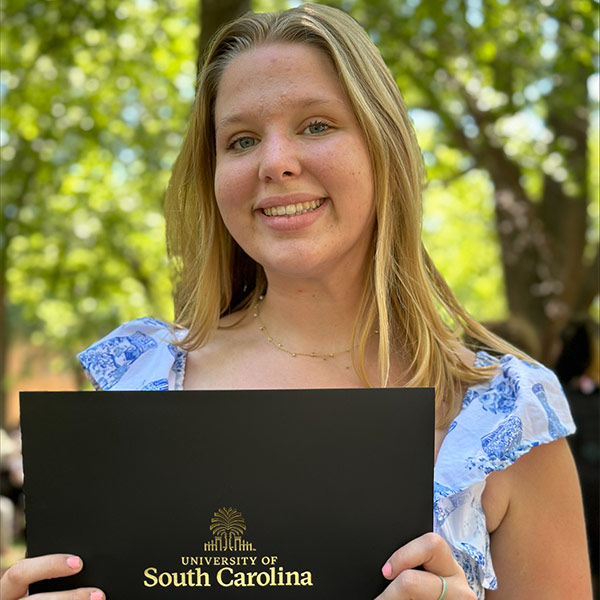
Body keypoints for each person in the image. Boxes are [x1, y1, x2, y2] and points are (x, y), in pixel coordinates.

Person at [2, 4, 592, 599]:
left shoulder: (507, 416)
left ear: (383, 148)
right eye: (241, 140)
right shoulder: (138, 382)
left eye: (316, 125)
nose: (275, 162)